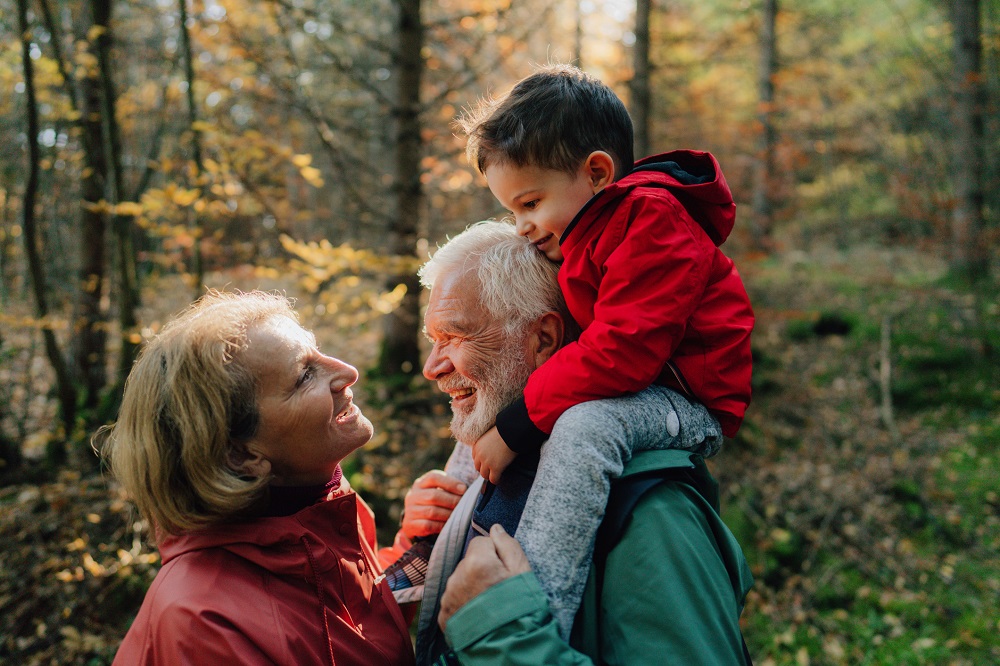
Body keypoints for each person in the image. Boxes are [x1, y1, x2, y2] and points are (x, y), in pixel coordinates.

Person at [440, 63, 755, 634]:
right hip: (641, 386)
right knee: (492, 394)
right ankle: (443, 531)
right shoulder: (587, 232)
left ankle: (539, 606)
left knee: (585, 427)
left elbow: (623, 351)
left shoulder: (654, 222)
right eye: (512, 210)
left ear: (598, 172)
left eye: (530, 204)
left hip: (686, 403)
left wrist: (517, 428)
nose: (523, 227)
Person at [401, 221, 753, 664]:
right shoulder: (496, 461)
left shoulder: (650, 512)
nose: (431, 367)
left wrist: (499, 628)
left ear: (544, 339)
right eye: (433, 341)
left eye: (454, 337)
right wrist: (429, 536)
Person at [97, 290, 415, 665]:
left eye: (318, 351)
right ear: (242, 455)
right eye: (304, 375)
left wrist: (417, 545)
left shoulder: (319, 509)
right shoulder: (203, 623)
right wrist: (481, 625)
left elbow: (348, 628)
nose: (348, 372)